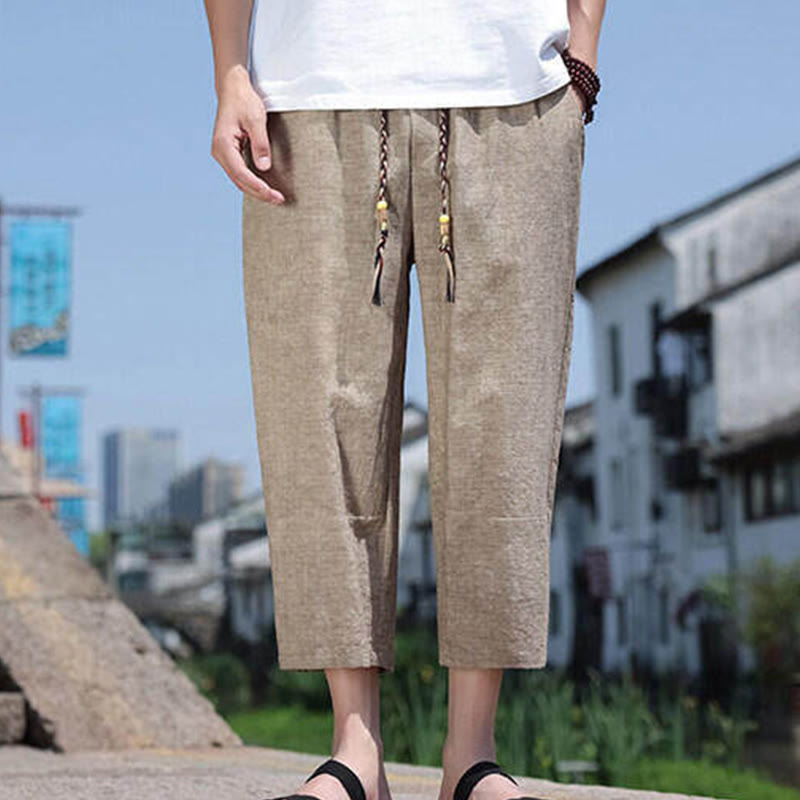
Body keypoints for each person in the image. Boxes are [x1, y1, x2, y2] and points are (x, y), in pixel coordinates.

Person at [203, 3, 606, 800]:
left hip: (514, 87)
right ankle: (353, 749)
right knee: (318, 412)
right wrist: (231, 72)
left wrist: (582, 60)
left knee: (501, 422)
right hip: (311, 87)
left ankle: (473, 753)